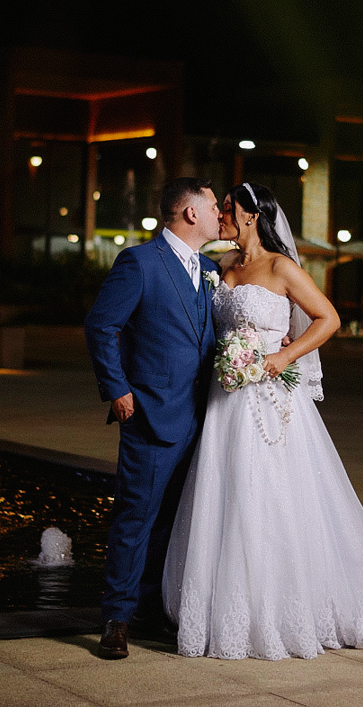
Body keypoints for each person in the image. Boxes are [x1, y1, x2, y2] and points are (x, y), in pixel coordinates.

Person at [163, 181, 363, 660]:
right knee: (224, 497)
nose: (220, 216)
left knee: (265, 499)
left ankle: (279, 610)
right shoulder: (223, 267)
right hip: (223, 402)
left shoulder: (282, 267)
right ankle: (229, 606)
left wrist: (282, 357)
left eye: (227, 209)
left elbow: (326, 319)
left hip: (268, 402)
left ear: (250, 215)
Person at [84, 177, 220, 659]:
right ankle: (115, 620)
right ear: (189, 214)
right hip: (151, 417)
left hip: (204, 420)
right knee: (135, 518)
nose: (219, 214)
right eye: (211, 206)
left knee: (172, 522)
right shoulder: (139, 262)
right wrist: (116, 388)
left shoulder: (209, 268)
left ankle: (150, 609)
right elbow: (101, 324)